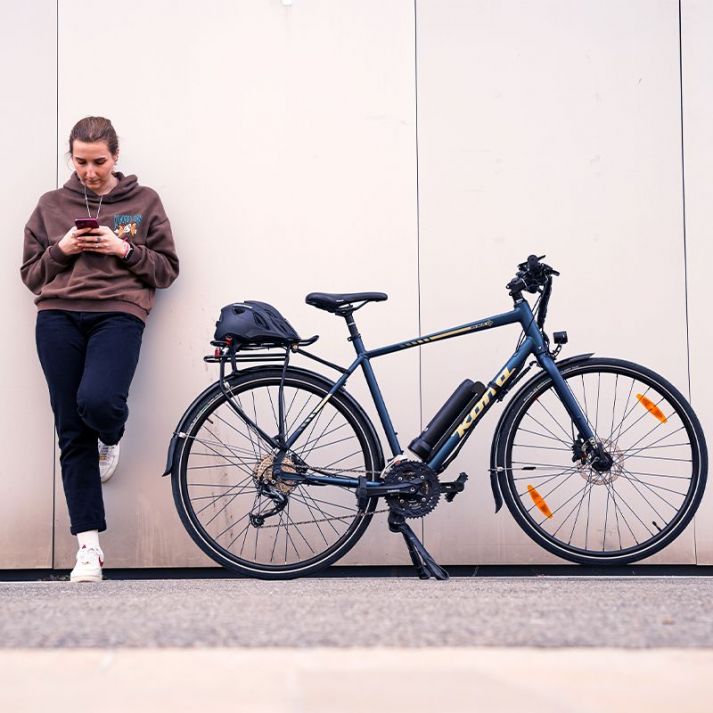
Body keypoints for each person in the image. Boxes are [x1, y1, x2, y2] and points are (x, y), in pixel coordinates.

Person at [20, 116, 179, 582]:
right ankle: (88, 547)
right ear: (71, 157)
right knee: (71, 429)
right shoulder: (51, 205)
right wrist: (62, 249)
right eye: (81, 161)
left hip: (118, 312)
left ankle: (110, 436)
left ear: (115, 157)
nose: (90, 171)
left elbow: (168, 270)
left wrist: (123, 249)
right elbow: (31, 275)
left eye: (99, 161)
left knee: (99, 402)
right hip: (57, 316)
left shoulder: (143, 202)